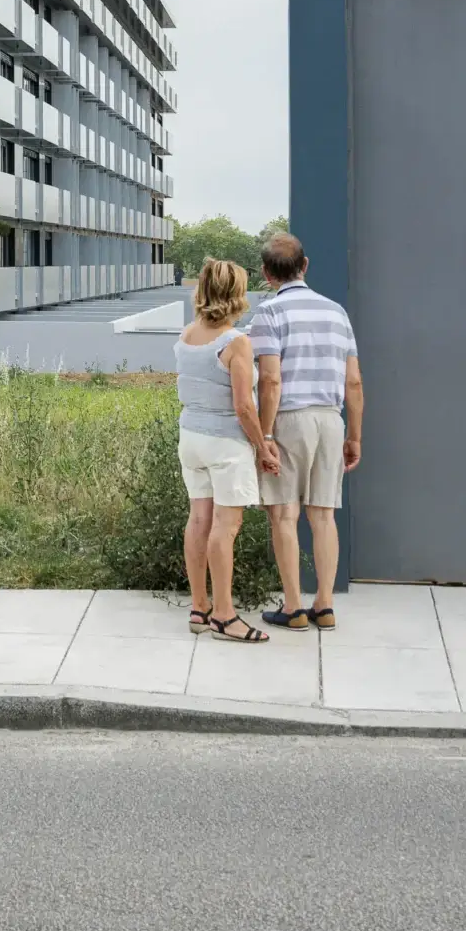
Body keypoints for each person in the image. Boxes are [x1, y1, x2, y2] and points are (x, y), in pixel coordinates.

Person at [249, 232, 364, 631]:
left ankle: (294, 607)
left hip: (288, 419)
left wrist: (263, 435)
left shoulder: (268, 313)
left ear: (266, 274)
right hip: (331, 420)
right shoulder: (337, 313)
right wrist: (354, 436)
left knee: (284, 514)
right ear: (305, 265)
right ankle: (326, 605)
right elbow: (353, 383)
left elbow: (270, 380)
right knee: (323, 515)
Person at [174, 259, 280, 644]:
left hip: (191, 438)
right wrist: (263, 445)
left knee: (198, 520)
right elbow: (243, 407)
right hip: (224, 444)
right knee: (226, 527)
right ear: (236, 293)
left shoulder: (187, 335)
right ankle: (224, 615)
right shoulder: (236, 342)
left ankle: (199, 609)